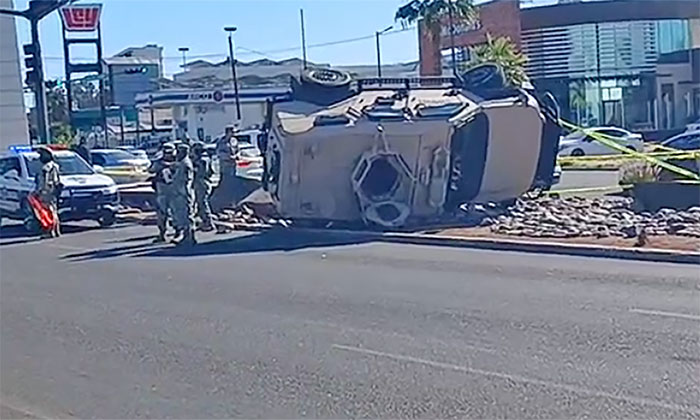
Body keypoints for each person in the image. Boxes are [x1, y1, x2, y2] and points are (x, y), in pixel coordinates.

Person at [148, 143, 176, 243]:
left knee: (176, 212)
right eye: (166, 152)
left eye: (169, 152)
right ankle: (162, 233)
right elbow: (151, 170)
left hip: (174, 190)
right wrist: (159, 164)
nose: (168, 155)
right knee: (161, 213)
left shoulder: (178, 161)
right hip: (162, 189)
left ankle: (178, 232)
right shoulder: (159, 162)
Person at [171, 143, 196, 246]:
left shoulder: (185, 163)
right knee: (181, 215)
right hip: (179, 192)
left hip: (184, 193)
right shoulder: (181, 162)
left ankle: (189, 237)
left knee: (187, 215)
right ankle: (186, 236)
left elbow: (185, 179)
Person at [34, 147, 61, 238]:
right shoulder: (55, 166)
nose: (40, 158)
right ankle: (56, 230)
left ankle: (50, 231)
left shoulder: (45, 168)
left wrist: (38, 192)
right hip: (53, 190)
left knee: (47, 211)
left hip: (46, 192)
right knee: (54, 210)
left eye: (41, 155)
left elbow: (43, 182)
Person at [191, 142, 214, 231]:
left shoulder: (202, 161)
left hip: (202, 183)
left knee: (202, 203)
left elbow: (199, 172)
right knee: (199, 203)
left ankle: (208, 223)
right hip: (203, 182)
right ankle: (204, 221)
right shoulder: (206, 158)